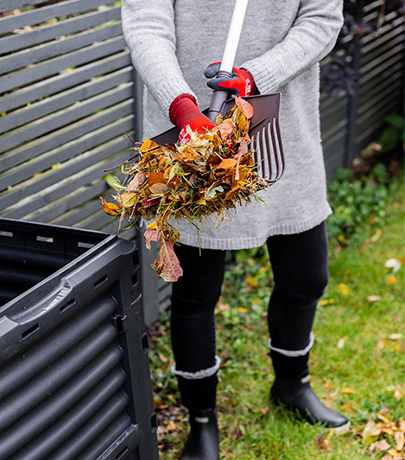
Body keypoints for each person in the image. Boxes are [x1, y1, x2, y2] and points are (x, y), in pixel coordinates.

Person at [121, 1, 348, 458]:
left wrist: (256, 75)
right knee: (195, 293)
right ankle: (201, 422)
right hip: (192, 143)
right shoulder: (184, 120)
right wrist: (182, 106)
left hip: (284, 133)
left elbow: (322, 19)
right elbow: (146, 23)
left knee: (306, 277)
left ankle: (292, 385)